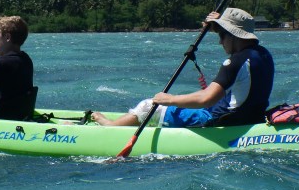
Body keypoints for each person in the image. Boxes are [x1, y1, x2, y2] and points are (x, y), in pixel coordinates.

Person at [92, 8, 274, 128]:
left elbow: (206, 99)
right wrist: (218, 26)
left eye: (222, 35)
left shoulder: (235, 62)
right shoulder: (264, 55)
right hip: (248, 118)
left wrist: (169, 99)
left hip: (220, 121)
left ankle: (110, 127)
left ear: (234, 35)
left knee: (149, 106)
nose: (219, 41)